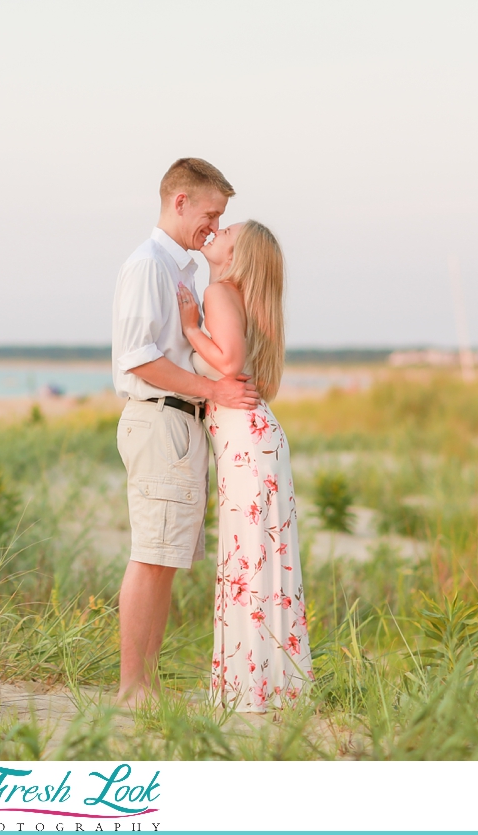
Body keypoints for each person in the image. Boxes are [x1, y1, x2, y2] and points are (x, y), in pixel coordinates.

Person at [111, 158, 260, 706]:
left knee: (166, 558)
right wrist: (217, 392)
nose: (215, 228)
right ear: (180, 202)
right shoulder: (149, 265)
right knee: (151, 556)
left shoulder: (184, 271)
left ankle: (146, 685)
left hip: (180, 423)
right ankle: (132, 691)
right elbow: (139, 358)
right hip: (160, 419)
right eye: (211, 213)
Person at [176, 220, 313, 713]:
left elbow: (230, 364)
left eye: (227, 230)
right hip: (257, 442)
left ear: (240, 254)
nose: (218, 231)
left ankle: (250, 689)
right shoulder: (240, 298)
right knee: (259, 563)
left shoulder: (218, 292)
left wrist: (191, 329)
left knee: (247, 562)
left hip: (247, 446)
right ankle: (266, 686)